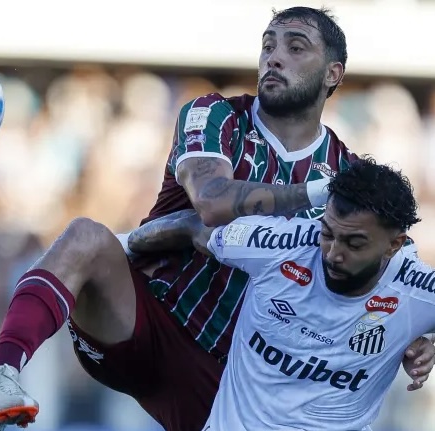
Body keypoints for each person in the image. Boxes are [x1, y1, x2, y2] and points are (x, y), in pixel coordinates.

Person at [0, 6, 435, 431]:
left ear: (333, 73)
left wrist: (421, 336)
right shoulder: (215, 115)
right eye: (268, 45)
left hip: (236, 376)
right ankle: (2, 375)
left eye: (295, 47)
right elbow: (212, 202)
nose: (274, 57)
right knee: (85, 237)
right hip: (148, 321)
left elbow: (398, 269)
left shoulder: (348, 173)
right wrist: (317, 191)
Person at [128, 157, 435, 430]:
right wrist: (124, 245)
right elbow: (191, 226)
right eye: (327, 234)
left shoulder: (418, 289)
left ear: (394, 245)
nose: (333, 254)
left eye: (354, 244)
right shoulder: (276, 244)